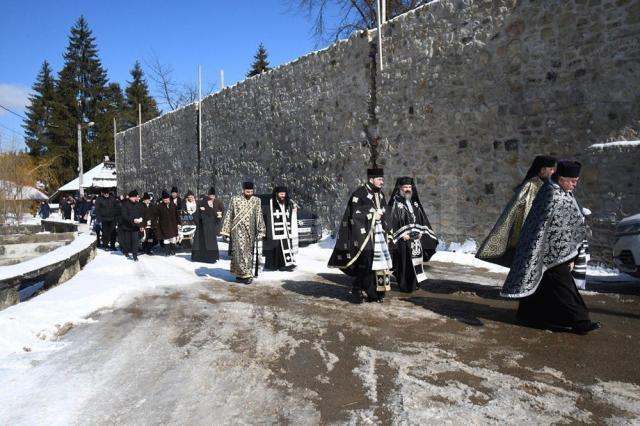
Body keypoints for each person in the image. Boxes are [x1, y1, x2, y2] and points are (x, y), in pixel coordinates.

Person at [501, 160, 600, 335]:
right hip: (551, 252)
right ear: (561, 178)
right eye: (572, 180)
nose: (575, 185)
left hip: (552, 250)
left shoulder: (558, 191)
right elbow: (546, 226)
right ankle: (580, 321)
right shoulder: (552, 195)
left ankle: (528, 315)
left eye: (576, 180)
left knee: (541, 283)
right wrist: (568, 255)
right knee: (563, 286)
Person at [476, 155, 557, 267]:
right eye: (551, 169)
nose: (553, 172)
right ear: (542, 170)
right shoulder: (531, 185)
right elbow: (520, 209)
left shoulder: (546, 185)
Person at [328, 168, 393, 303]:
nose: (382, 182)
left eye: (382, 179)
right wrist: (373, 214)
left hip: (379, 236)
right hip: (364, 237)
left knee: (380, 264)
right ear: (371, 179)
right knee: (366, 263)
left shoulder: (380, 195)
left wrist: (388, 227)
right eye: (379, 179)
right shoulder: (359, 194)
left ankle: (376, 294)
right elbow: (354, 214)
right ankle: (357, 288)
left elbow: (386, 212)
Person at [387, 177, 439, 292]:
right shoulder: (395, 203)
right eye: (405, 187)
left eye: (409, 187)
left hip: (416, 238)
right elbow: (392, 221)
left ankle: (414, 283)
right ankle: (405, 286)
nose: (407, 189)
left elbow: (421, 219)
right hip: (403, 239)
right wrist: (401, 235)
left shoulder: (415, 202)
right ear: (400, 188)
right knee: (405, 263)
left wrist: (421, 232)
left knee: (416, 261)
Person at [220, 181, 266, 284]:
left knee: (248, 253)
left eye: (251, 191)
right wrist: (226, 231)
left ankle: (243, 274)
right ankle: (245, 275)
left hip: (251, 230)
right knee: (239, 252)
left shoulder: (256, 200)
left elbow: (259, 215)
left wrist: (261, 230)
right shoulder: (235, 200)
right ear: (243, 190)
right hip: (237, 230)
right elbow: (229, 213)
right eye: (247, 191)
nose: (249, 193)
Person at [262, 186, 299, 271]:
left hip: (285, 230)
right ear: (276, 194)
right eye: (281, 194)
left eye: (284, 194)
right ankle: (273, 266)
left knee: (286, 247)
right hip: (274, 231)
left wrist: (295, 210)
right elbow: (264, 213)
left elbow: (293, 212)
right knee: (275, 248)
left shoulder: (287, 202)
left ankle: (286, 264)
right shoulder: (270, 202)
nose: (282, 195)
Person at [191, 187, 225, 263]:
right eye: (210, 195)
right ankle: (200, 257)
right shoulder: (202, 201)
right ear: (208, 195)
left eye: (213, 195)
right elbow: (196, 213)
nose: (212, 197)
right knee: (202, 242)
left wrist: (219, 217)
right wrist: (201, 213)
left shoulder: (218, 202)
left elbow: (222, 211)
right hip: (203, 226)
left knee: (211, 242)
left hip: (211, 225)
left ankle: (212, 258)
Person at [119, 190, 145, 261]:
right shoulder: (125, 204)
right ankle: (126, 251)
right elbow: (124, 215)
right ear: (130, 197)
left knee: (135, 242)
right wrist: (132, 220)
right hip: (127, 227)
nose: (135, 198)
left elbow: (142, 215)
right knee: (127, 242)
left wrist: (141, 225)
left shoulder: (139, 204)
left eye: (135, 197)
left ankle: (135, 255)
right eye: (133, 197)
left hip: (135, 227)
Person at [156, 190, 181, 255]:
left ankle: (172, 250)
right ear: (162, 200)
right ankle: (167, 252)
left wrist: (179, 223)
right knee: (166, 239)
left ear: (169, 199)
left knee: (173, 238)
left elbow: (177, 215)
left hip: (173, 224)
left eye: (167, 199)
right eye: (164, 200)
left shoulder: (173, 205)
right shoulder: (159, 206)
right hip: (164, 225)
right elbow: (156, 215)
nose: (166, 201)